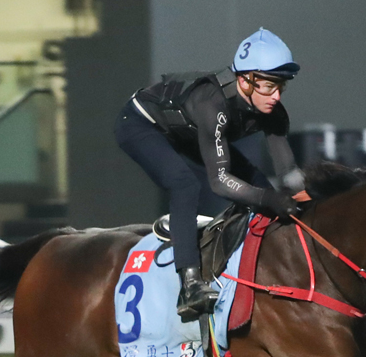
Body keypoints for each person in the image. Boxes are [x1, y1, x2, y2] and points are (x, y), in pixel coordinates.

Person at [115, 28, 305, 322]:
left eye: (281, 85)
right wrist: (270, 199)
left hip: (186, 130)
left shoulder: (273, 110)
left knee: (258, 182)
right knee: (186, 184)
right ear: (244, 80)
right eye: (269, 86)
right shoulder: (213, 103)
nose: (276, 96)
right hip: (142, 124)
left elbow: (289, 174)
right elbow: (219, 182)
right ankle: (189, 285)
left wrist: (305, 204)